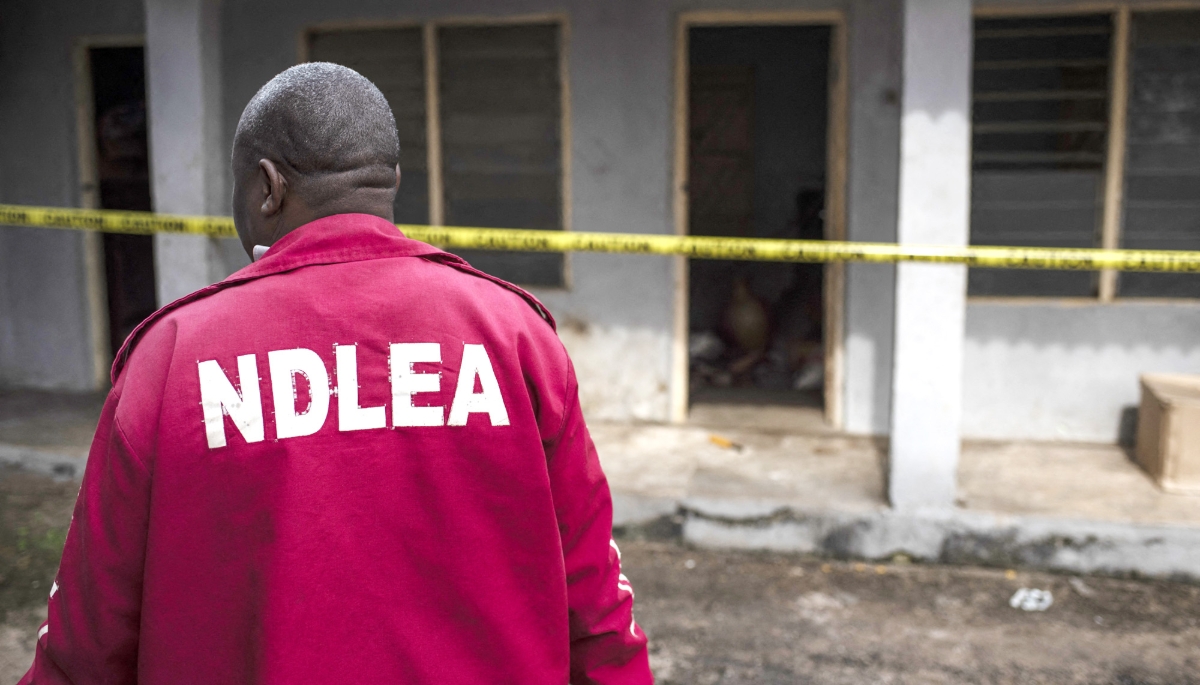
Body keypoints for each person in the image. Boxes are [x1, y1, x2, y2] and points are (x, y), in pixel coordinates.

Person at [20, 62, 651, 684]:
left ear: (266, 187)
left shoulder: (173, 358)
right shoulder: (516, 338)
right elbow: (597, 612)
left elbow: (86, 644)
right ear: (391, 179)